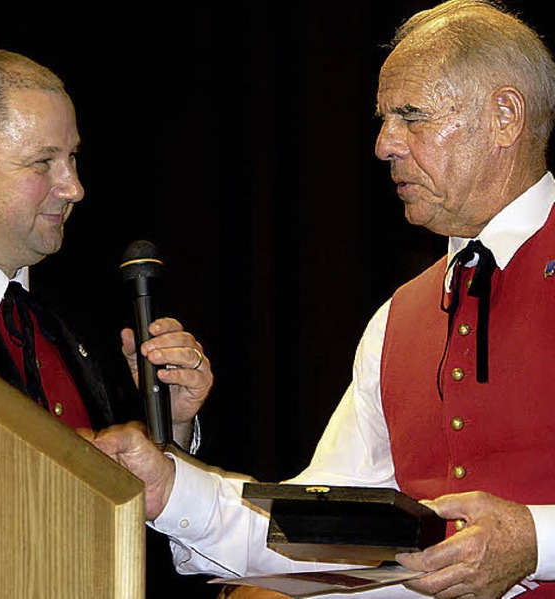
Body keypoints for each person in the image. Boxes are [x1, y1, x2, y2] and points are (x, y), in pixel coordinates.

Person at [87, 1, 555, 597]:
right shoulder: (399, 319)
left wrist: (537, 541)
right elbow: (324, 527)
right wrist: (171, 489)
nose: (384, 144)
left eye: (413, 117)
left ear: (505, 116)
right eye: (384, 119)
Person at [0, 47, 214, 595]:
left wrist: (165, 429)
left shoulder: (82, 307)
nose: (73, 186)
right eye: (43, 162)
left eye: (73, 158)